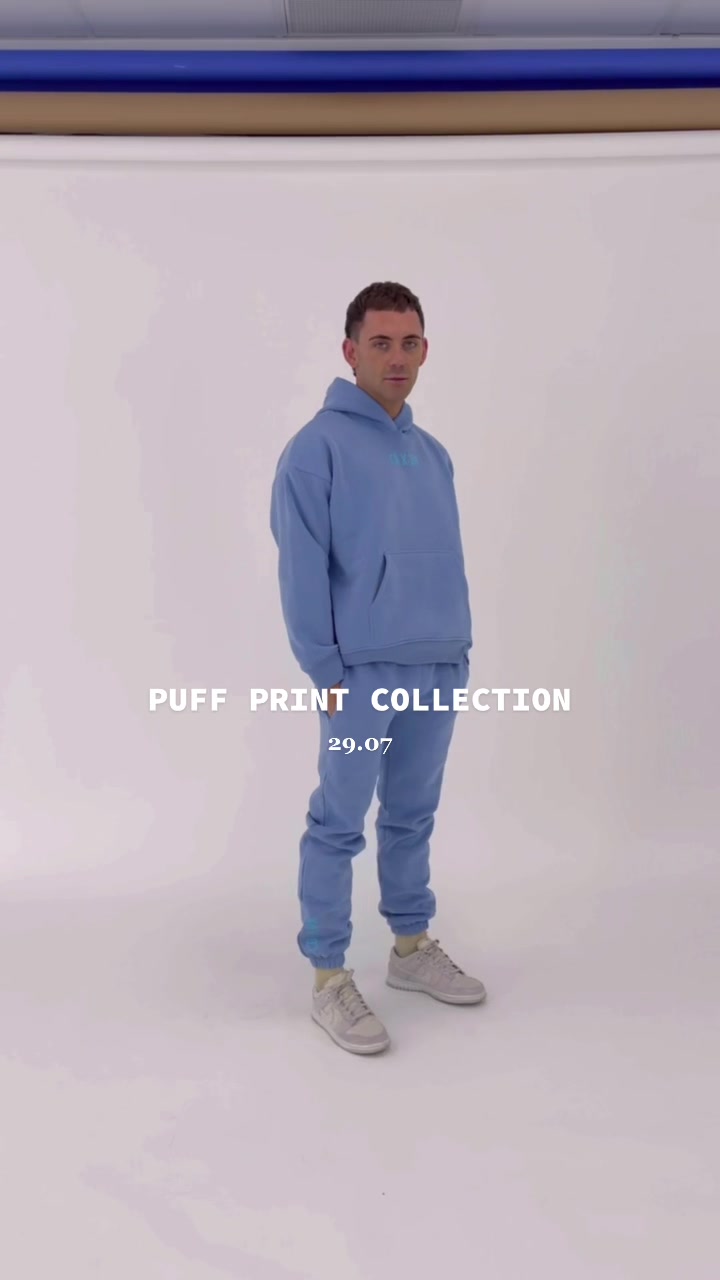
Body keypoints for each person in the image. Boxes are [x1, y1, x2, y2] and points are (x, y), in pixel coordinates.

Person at [270, 281, 487, 1055]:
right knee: (338, 823)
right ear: (350, 350)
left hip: (436, 665)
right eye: (381, 342)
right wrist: (326, 670)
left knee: (411, 815)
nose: (397, 357)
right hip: (359, 677)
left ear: (425, 350)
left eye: (409, 342)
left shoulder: (434, 455)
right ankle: (329, 977)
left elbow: (445, 559)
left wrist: (458, 648)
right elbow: (301, 569)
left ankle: (409, 947)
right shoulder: (315, 450)